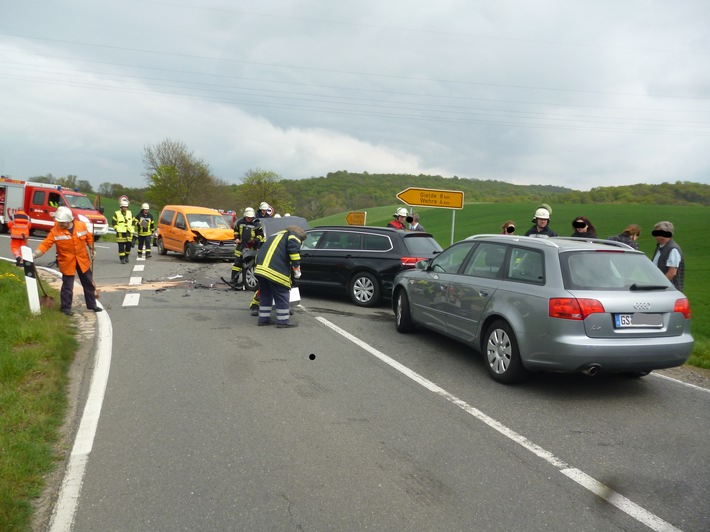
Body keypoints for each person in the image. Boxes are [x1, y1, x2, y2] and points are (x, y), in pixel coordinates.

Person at [32, 206, 101, 316]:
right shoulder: (55, 231)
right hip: (67, 262)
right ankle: (65, 308)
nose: (60, 224)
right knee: (67, 286)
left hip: (82, 260)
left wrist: (92, 249)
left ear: (69, 220)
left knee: (88, 283)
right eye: (58, 222)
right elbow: (46, 244)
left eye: (62, 222)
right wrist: (35, 254)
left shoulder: (81, 225)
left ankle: (92, 304)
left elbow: (89, 237)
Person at [254, 225, 307, 328]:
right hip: (275, 270)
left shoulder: (274, 235)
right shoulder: (293, 236)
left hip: (260, 269)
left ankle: (263, 319)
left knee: (266, 294)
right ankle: (283, 321)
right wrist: (297, 270)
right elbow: (294, 253)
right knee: (282, 294)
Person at [231, 207, 264, 288]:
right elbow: (236, 231)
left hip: (251, 248)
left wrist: (254, 241)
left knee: (248, 265)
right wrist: (237, 238)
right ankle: (233, 280)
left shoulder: (257, 224)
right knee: (237, 264)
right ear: (245, 216)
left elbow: (261, 235)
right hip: (240, 247)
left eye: (250, 217)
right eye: (247, 217)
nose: (249, 219)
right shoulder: (240, 222)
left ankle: (245, 281)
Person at [652, 221, 685, 290]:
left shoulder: (673, 249)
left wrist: (660, 285)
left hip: (669, 289)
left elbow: (672, 272)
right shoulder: (660, 247)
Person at [112, 198, 135, 263]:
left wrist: (132, 228)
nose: (125, 208)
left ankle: (126, 256)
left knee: (128, 247)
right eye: (124, 207)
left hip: (129, 232)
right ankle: (122, 259)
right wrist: (117, 228)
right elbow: (114, 222)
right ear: (121, 207)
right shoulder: (117, 213)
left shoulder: (130, 213)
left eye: (126, 207)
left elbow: (133, 221)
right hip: (120, 233)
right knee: (121, 247)